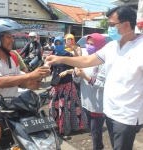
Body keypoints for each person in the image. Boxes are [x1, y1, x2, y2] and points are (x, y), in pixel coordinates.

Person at [46, 5, 143, 150]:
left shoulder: (140, 48)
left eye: (112, 24)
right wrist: (60, 59)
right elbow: (87, 60)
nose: (109, 28)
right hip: (109, 111)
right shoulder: (112, 46)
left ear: (127, 25)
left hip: (127, 115)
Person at [0, 18, 50, 150]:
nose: (12, 40)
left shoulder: (12, 57)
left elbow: (18, 79)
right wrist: (31, 75)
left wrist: (30, 83)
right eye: (9, 37)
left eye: (12, 36)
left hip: (12, 106)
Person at [73, 33, 106, 150]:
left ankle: (97, 147)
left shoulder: (104, 62)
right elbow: (77, 80)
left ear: (100, 45)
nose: (88, 46)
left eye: (92, 44)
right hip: (86, 101)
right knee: (91, 129)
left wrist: (85, 76)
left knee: (95, 131)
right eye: (87, 43)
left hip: (98, 104)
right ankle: (100, 146)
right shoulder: (86, 59)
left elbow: (103, 85)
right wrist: (76, 73)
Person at [49, 37, 87, 135]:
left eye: (59, 43)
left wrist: (66, 71)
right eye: (56, 44)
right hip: (56, 85)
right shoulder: (52, 55)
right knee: (55, 106)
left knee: (66, 107)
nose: (58, 45)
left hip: (67, 86)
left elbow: (76, 68)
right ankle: (56, 126)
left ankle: (67, 127)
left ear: (63, 44)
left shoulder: (68, 55)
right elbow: (50, 70)